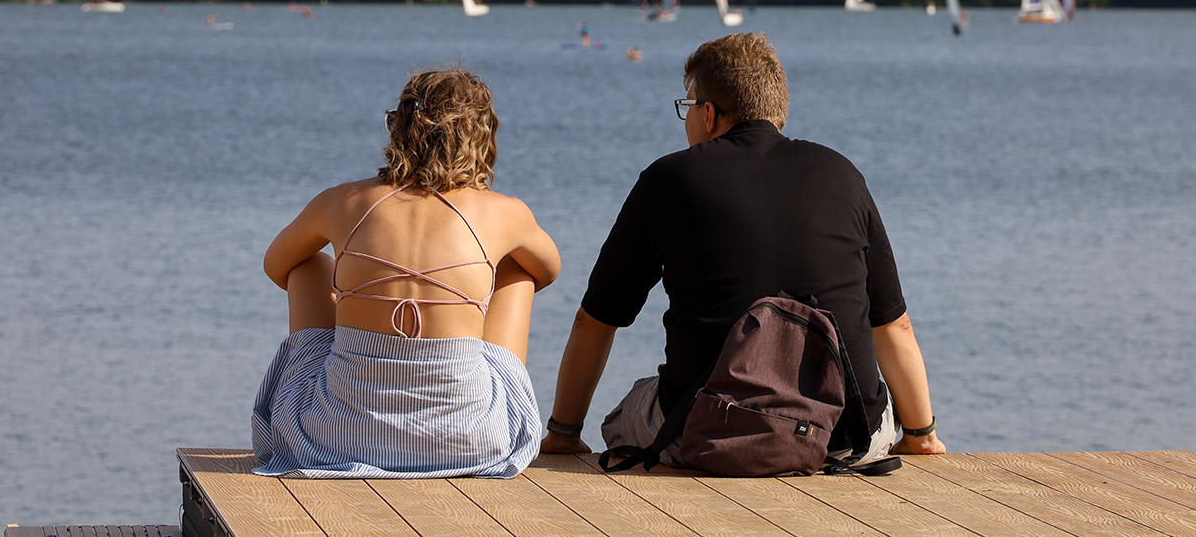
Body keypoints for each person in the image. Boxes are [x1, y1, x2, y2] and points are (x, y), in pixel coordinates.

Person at [540, 33, 944, 468]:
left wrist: (564, 433)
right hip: (845, 439)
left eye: (687, 107)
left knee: (626, 413)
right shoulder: (843, 174)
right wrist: (920, 434)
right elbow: (894, 325)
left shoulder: (669, 180)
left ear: (709, 113)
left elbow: (596, 319)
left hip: (709, 434)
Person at [253, 68, 561, 478]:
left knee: (309, 263)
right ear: (483, 135)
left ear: (399, 126)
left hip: (335, 435)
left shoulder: (341, 201)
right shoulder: (506, 213)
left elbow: (276, 265)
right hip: (469, 440)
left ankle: (352, 376)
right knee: (515, 272)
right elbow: (549, 269)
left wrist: (350, 296)